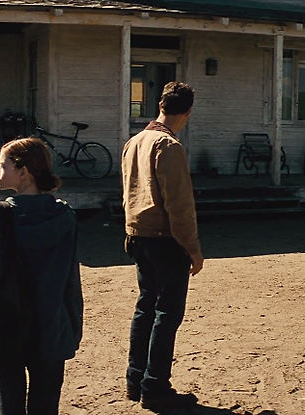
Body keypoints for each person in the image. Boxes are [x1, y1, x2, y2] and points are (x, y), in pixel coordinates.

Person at [0, 137, 83, 415]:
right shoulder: (64, 215)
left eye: (2, 165)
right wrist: (72, 327)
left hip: (8, 324)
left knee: (10, 401)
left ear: (24, 171)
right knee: (46, 404)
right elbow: (71, 278)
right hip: (52, 323)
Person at [122, 81, 204, 411]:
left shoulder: (134, 142)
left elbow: (127, 193)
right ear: (187, 112)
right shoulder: (168, 146)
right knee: (166, 314)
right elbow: (179, 205)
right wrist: (193, 248)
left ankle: (135, 379)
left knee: (146, 308)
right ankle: (155, 385)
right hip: (165, 239)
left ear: (160, 104)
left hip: (138, 235)